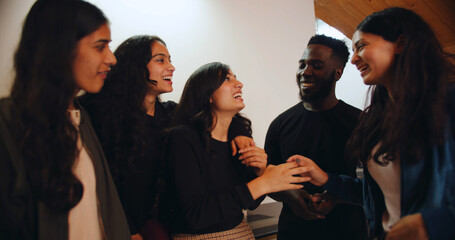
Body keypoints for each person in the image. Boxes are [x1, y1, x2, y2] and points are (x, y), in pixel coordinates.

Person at [289, 7, 455, 240]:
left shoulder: (447, 104)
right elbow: (374, 195)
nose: (354, 59)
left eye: (362, 46)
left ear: (401, 43)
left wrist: (432, 224)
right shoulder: (378, 119)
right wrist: (326, 178)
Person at [80, 36, 254, 240]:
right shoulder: (100, 115)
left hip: (161, 227)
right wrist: (130, 230)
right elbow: (105, 182)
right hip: (114, 225)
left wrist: (240, 133)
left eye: (169, 59)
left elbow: (213, 116)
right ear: (135, 66)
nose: (171, 67)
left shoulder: (171, 115)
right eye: (160, 60)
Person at [0, 0, 130, 240]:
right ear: (60, 49)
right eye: (100, 46)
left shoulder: (81, 118)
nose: (112, 59)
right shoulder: (8, 123)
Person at [164, 62, 311, 239]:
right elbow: (195, 215)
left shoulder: (238, 140)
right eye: (227, 79)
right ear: (207, 94)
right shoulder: (183, 138)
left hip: (241, 233)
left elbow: (252, 203)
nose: (239, 83)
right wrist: (263, 182)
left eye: (236, 77)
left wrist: (258, 173)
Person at [265, 34, 367, 239]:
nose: (305, 72)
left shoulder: (361, 123)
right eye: (302, 64)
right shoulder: (281, 124)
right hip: (294, 231)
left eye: (316, 66)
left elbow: (376, 187)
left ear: (337, 73)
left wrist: (337, 198)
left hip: (347, 232)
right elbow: (269, 180)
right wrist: (291, 197)